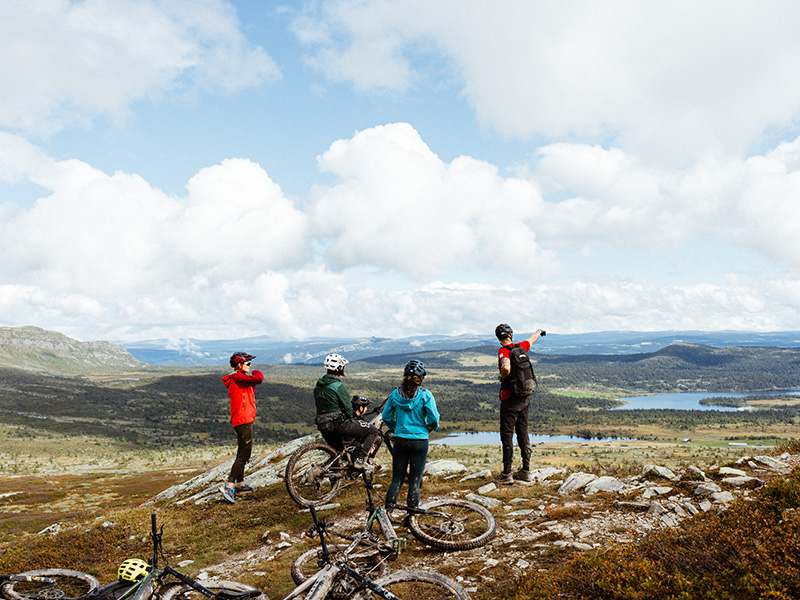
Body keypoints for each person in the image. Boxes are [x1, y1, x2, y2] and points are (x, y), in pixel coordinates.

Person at [382, 359, 440, 512]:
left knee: (396, 480)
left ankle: (388, 513)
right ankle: (411, 518)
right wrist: (430, 428)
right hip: (420, 441)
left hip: (400, 440)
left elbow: (386, 416)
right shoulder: (425, 395)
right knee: (415, 481)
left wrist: (396, 427)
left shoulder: (395, 394)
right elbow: (434, 417)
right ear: (421, 378)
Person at [494, 324, 545, 485]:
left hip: (510, 399)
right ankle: (525, 471)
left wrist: (503, 376)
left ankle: (507, 473)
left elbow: (506, 367)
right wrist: (539, 331)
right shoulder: (521, 347)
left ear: (498, 337)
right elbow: (532, 339)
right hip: (524, 398)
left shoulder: (504, 351)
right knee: (523, 432)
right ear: (511, 335)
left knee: (507, 435)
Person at [313, 353, 379, 469]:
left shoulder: (318, 386)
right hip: (338, 424)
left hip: (322, 424)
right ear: (338, 368)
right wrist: (350, 417)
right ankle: (360, 460)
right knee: (372, 430)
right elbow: (348, 409)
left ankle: (335, 479)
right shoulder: (338, 385)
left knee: (337, 454)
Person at [220, 351, 264, 504]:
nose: (251, 366)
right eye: (248, 363)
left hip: (243, 419)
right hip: (243, 420)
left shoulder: (240, 379)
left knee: (242, 453)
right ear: (239, 365)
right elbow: (259, 378)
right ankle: (229, 486)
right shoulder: (238, 377)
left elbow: (252, 384)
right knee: (244, 454)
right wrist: (256, 372)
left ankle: (240, 485)